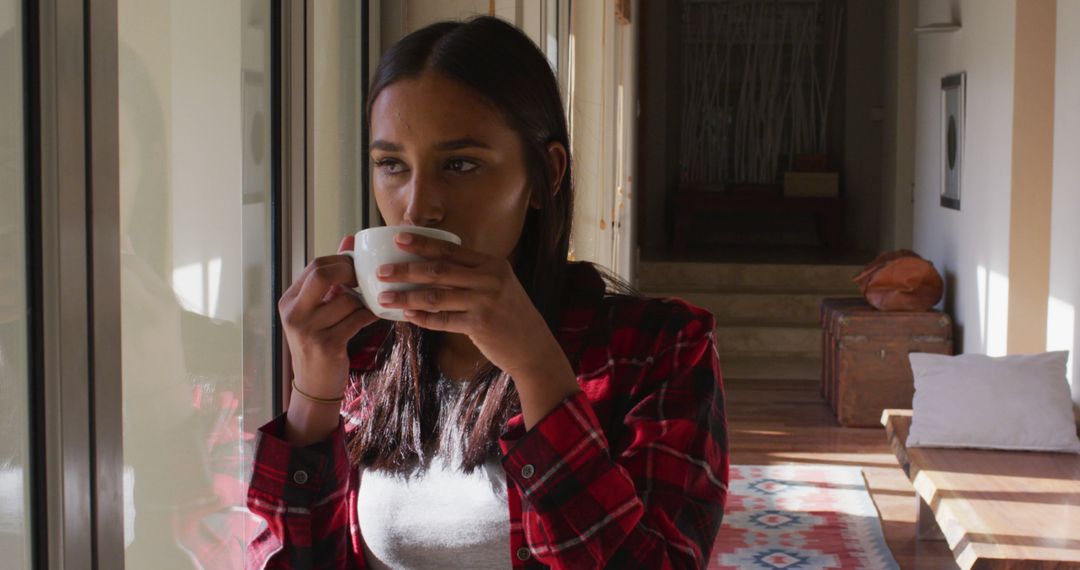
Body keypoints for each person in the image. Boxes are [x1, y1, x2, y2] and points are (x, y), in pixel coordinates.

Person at [247, 16, 728, 570]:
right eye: (391, 165)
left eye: (461, 164)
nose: (418, 206)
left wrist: (538, 367)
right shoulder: (357, 351)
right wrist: (312, 394)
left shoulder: (659, 349)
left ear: (545, 176)